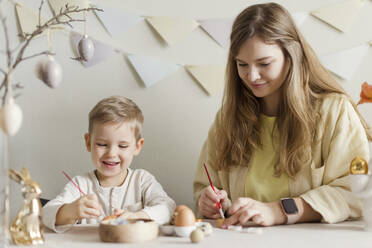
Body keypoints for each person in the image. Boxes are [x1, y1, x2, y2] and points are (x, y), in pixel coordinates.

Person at [193, 2, 371, 227]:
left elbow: (355, 191)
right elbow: (204, 186)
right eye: (242, 64)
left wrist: (279, 211)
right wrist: (209, 201)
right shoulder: (227, 118)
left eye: (264, 63)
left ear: (291, 56)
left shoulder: (334, 111)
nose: (252, 76)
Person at [43, 96, 176, 232]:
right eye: (102, 144)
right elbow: (46, 213)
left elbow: (168, 207)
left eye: (123, 146)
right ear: (88, 142)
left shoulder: (142, 180)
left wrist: (137, 217)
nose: (111, 153)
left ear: (137, 146)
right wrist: (70, 211)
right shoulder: (80, 184)